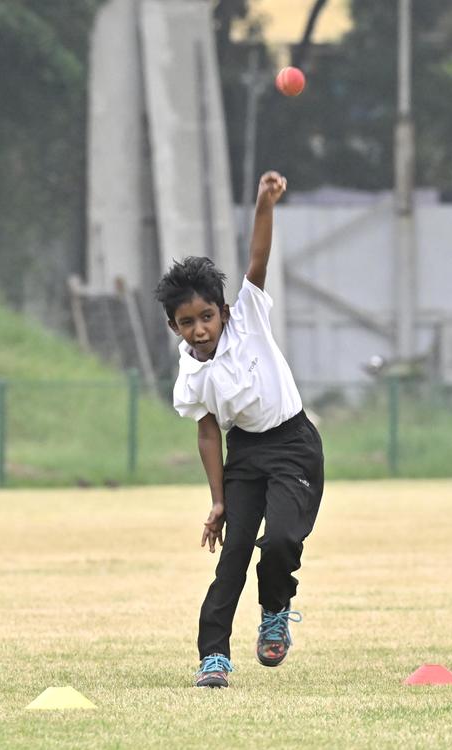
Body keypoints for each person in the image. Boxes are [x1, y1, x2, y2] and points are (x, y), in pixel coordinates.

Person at [154, 171, 324, 688]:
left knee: (280, 543)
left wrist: (263, 203)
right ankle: (213, 656)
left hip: (293, 444)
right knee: (232, 555)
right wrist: (218, 498)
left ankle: (275, 609)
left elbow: (258, 257)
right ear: (174, 327)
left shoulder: (247, 316)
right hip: (245, 453)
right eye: (188, 322)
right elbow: (208, 433)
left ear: (223, 312)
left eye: (207, 316)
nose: (200, 328)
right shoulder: (191, 371)